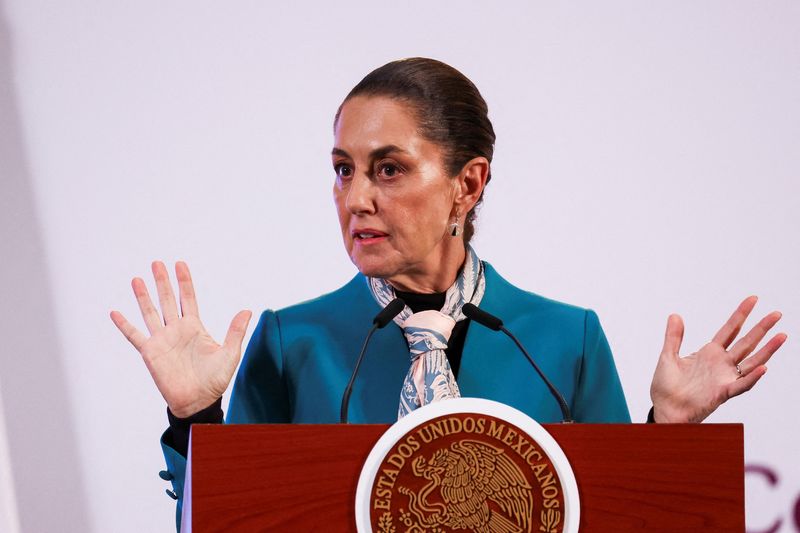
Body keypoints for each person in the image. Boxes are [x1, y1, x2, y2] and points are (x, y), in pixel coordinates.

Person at [110, 58, 786, 528]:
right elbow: (216, 525)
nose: (358, 199)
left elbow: (614, 517)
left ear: (467, 184)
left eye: (389, 169)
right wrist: (196, 414)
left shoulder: (563, 338)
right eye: (343, 170)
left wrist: (666, 433)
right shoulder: (290, 343)